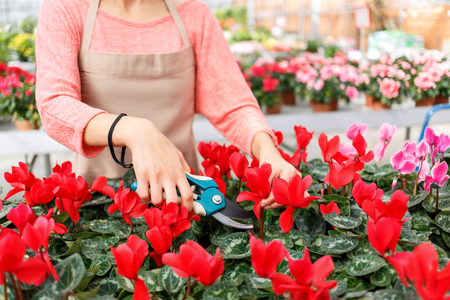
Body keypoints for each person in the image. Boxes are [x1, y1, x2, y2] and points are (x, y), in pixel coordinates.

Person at [35, 0, 299, 212]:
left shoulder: (193, 14)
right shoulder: (66, 8)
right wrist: (135, 131)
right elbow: (54, 103)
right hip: (97, 201)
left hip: (186, 199)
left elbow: (233, 104)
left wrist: (268, 152)